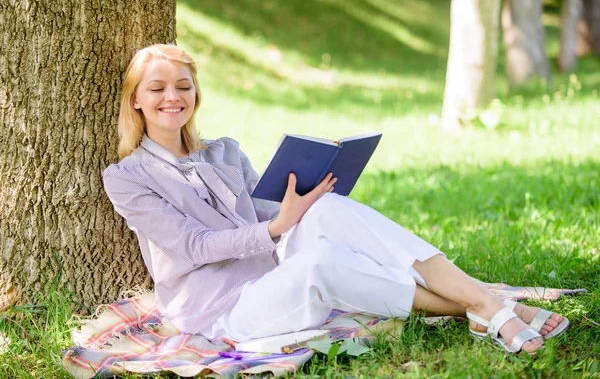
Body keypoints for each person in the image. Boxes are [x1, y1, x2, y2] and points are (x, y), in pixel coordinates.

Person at [103, 44, 568, 355]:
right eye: (158, 88)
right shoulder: (126, 177)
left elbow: (266, 211)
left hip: (272, 273)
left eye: (183, 85)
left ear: (196, 94)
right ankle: (484, 304)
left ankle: (484, 307)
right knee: (320, 262)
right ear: (136, 101)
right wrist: (276, 227)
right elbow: (191, 248)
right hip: (224, 313)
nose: (173, 97)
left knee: (328, 209)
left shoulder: (223, 150)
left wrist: (305, 196)